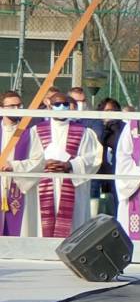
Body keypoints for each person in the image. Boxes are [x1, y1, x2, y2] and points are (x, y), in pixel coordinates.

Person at [28, 92, 102, 238]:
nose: (61, 107)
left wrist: (71, 165)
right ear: (49, 106)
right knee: (43, 227)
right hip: (44, 183)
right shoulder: (36, 131)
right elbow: (30, 158)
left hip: (73, 184)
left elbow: (94, 158)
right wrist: (44, 163)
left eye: (65, 104)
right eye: (57, 104)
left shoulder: (83, 132)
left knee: (73, 228)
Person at [0, 90, 43, 237]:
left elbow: (38, 161)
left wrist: (14, 166)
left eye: (19, 106)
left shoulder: (29, 133)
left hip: (18, 188)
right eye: (11, 106)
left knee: (20, 230)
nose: (17, 110)